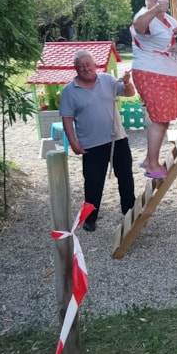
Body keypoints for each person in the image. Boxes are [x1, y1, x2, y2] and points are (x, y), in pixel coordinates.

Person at [59, 50, 136, 232]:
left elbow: (129, 93)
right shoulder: (69, 91)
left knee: (125, 176)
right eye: (81, 66)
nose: (86, 69)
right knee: (93, 182)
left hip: (117, 139)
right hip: (91, 144)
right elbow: (67, 119)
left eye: (88, 65)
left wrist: (127, 82)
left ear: (95, 66)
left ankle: (130, 211)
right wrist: (74, 143)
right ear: (75, 69)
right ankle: (90, 218)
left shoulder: (107, 80)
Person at [130, 0, 177, 179]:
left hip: (168, 76)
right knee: (160, 120)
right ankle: (152, 164)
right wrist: (154, 9)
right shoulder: (145, 16)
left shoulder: (169, 20)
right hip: (151, 74)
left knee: (164, 120)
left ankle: (149, 160)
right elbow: (138, 26)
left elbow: (175, 46)